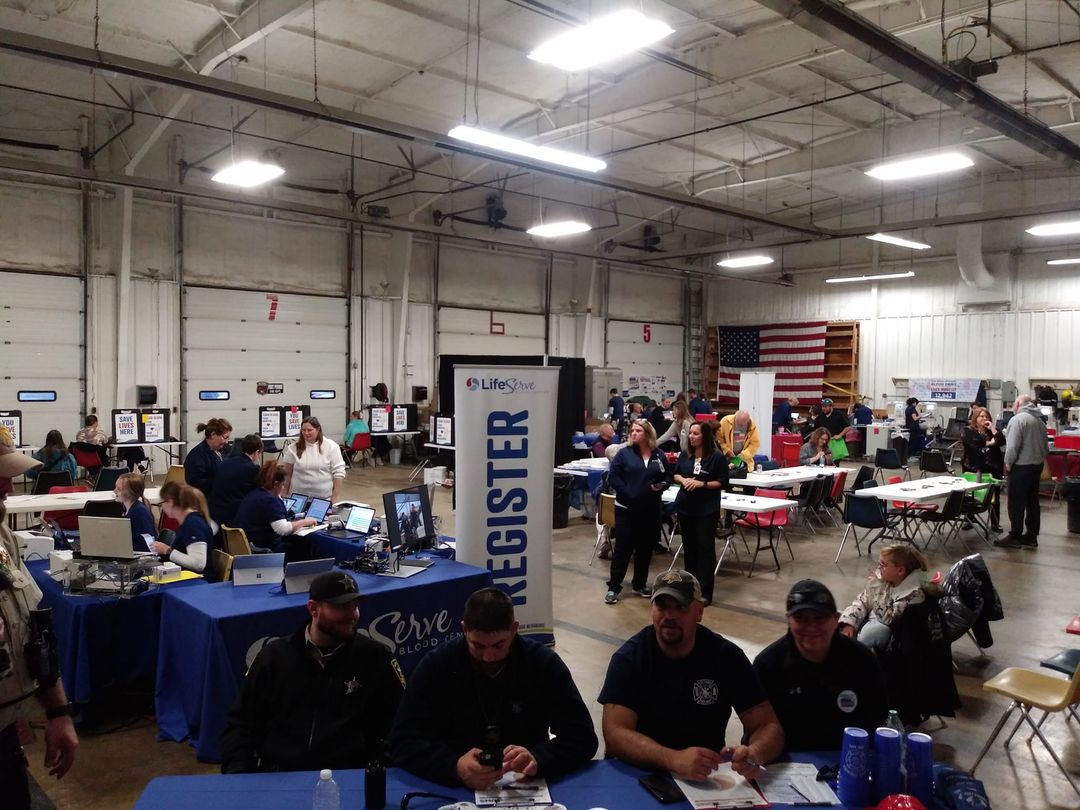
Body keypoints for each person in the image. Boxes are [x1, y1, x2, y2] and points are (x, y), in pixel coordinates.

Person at [389, 587, 597, 788]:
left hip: (524, 784)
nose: (489, 657)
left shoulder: (542, 664)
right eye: (478, 646)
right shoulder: (437, 665)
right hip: (454, 787)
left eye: (499, 645)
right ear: (464, 630)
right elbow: (401, 740)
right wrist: (453, 765)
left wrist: (539, 758)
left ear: (515, 630)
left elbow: (583, 737)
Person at [599, 570, 783, 781]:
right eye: (662, 606)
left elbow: (767, 726)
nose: (669, 616)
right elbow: (615, 733)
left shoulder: (725, 657)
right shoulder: (630, 659)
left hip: (704, 780)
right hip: (640, 775)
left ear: (699, 612)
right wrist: (673, 759)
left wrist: (755, 753)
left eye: (681, 607)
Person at [220, 571, 404, 773]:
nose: (353, 615)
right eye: (341, 607)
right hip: (280, 775)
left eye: (355, 606)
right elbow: (241, 723)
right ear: (313, 609)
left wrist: (379, 769)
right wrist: (238, 774)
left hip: (350, 775)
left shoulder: (376, 657)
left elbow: (401, 722)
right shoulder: (273, 657)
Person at [0, 443, 79, 809]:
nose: (7, 487)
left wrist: (58, 711)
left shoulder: (3, 538)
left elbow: (34, 627)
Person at [753, 580, 888, 752]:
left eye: (819, 617)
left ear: (835, 619)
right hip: (789, 765)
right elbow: (759, 730)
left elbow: (879, 722)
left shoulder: (862, 660)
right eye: (800, 618)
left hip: (850, 761)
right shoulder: (768, 665)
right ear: (789, 620)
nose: (811, 627)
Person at [604, 420, 669, 605]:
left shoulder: (659, 455)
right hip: (627, 509)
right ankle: (614, 587)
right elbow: (613, 477)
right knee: (623, 549)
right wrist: (628, 492)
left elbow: (667, 475)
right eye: (632, 430)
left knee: (645, 548)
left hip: (650, 509)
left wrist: (662, 485)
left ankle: (639, 583)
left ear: (648, 434)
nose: (633, 433)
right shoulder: (624, 454)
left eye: (638, 430)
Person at [671, 421, 727, 605]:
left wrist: (702, 484)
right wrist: (684, 480)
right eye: (690, 434)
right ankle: (690, 586)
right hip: (686, 507)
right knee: (689, 549)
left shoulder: (716, 457)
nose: (692, 436)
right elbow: (676, 474)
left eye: (696, 434)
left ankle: (705, 591)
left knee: (705, 550)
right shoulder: (686, 455)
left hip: (706, 509)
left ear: (704, 436)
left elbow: (723, 482)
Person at [839, 543, 930, 653]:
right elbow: (863, 601)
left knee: (875, 632)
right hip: (872, 619)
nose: (878, 567)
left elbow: (889, 620)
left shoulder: (913, 595)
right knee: (835, 618)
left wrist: (877, 585)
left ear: (900, 571)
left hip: (893, 641)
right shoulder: (887, 579)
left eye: (883, 564)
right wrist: (849, 624)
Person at [996, 394, 1049, 549]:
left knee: (1016, 502)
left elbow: (1012, 447)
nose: (1012, 406)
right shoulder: (1039, 421)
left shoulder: (1017, 420)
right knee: (1032, 502)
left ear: (1019, 403)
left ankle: (1015, 536)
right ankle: (1031, 536)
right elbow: (1046, 447)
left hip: (1021, 467)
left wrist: (1008, 464)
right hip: (1036, 466)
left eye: (1014, 403)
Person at [233, 462, 318, 559]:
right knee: (307, 546)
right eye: (282, 485)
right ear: (276, 484)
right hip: (262, 549)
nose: (283, 488)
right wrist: (306, 521)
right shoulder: (269, 501)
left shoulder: (254, 494)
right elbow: (283, 529)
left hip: (249, 545)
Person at [152, 482, 213, 574]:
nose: (162, 508)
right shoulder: (190, 522)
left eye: (161, 504)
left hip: (197, 583)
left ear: (170, 502)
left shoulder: (193, 524)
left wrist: (167, 550)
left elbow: (198, 564)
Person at [961, 406, 1005, 533]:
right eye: (981, 416)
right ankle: (969, 519)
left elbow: (1001, 440)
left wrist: (992, 428)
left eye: (986, 417)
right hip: (973, 467)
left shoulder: (993, 430)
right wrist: (991, 443)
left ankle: (995, 523)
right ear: (975, 418)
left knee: (994, 496)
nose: (984, 419)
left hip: (993, 467)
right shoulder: (967, 430)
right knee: (971, 494)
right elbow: (974, 443)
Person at [282, 417, 346, 503]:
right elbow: (287, 474)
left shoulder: (331, 446)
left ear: (318, 429)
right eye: (303, 430)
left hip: (323, 498)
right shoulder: (293, 448)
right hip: (297, 498)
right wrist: (284, 494)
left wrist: (336, 496)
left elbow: (339, 473)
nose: (306, 433)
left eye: (309, 430)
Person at [209, 433, 261, 528]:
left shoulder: (225, 462)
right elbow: (258, 496)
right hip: (234, 516)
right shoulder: (253, 469)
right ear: (257, 452)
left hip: (215, 512)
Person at [184, 417, 232, 498]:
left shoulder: (225, 450)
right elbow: (195, 483)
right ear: (213, 434)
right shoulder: (197, 455)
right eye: (225, 438)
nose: (227, 442)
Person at [113, 472, 156, 551]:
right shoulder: (128, 509)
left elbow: (148, 544)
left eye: (118, 489)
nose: (114, 491)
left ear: (129, 493)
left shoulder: (140, 512)